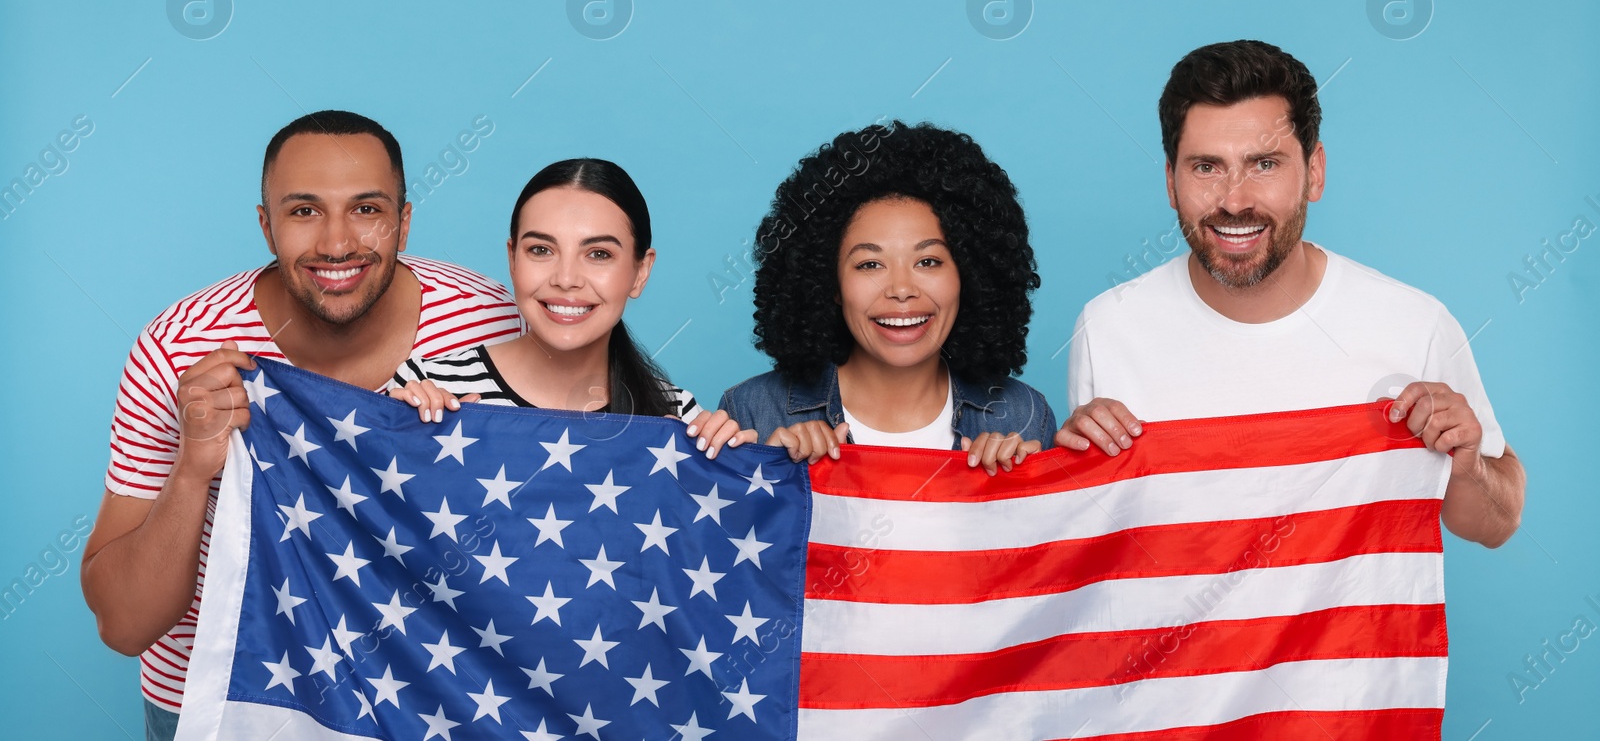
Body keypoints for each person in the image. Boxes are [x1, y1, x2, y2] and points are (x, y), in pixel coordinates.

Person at [80, 111, 523, 741]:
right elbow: (123, 626)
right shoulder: (183, 347)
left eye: (367, 209)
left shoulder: (488, 325)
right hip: (226, 702)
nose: (337, 243)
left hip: (423, 696)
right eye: (304, 211)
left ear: (403, 219)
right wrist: (192, 469)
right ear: (266, 224)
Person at [1054, 40, 1525, 547]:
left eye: (1265, 164)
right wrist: (1072, 475)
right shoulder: (1107, 328)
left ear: (1314, 172)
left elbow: (1496, 525)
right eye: (1206, 167)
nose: (1234, 201)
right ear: (1171, 181)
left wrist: (1467, 466)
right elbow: (1096, 551)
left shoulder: (1414, 324)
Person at [719, 121, 1056, 474]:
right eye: (870, 264)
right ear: (830, 282)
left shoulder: (1026, 416)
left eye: (928, 261)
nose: (900, 289)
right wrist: (770, 482)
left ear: (968, 275)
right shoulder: (751, 413)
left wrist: (1019, 490)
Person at [388, 158, 748, 456]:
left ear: (641, 272)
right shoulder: (428, 386)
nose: (566, 278)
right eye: (541, 250)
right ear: (512, 259)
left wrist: (740, 468)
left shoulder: (678, 417)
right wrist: (396, 429)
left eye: (598, 254)